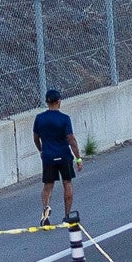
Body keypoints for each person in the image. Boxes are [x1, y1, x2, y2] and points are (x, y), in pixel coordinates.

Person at [33, 88, 82, 227]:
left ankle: (45, 210)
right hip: (64, 156)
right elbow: (71, 139)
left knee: (48, 186)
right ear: (59, 101)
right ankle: (67, 216)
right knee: (67, 183)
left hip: (48, 156)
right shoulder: (64, 119)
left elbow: (36, 138)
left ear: (47, 102)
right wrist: (78, 158)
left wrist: (41, 150)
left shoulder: (39, 118)